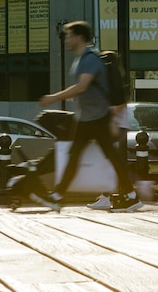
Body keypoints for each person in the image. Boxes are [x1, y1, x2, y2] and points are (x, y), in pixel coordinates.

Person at [39, 21, 142, 213]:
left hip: (97, 117)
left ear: (79, 37)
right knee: (78, 156)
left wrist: (54, 97)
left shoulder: (91, 59)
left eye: (69, 35)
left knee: (103, 156)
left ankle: (131, 196)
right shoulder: (81, 59)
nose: (67, 39)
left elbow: (82, 86)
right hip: (87, 117)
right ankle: (58, 195)